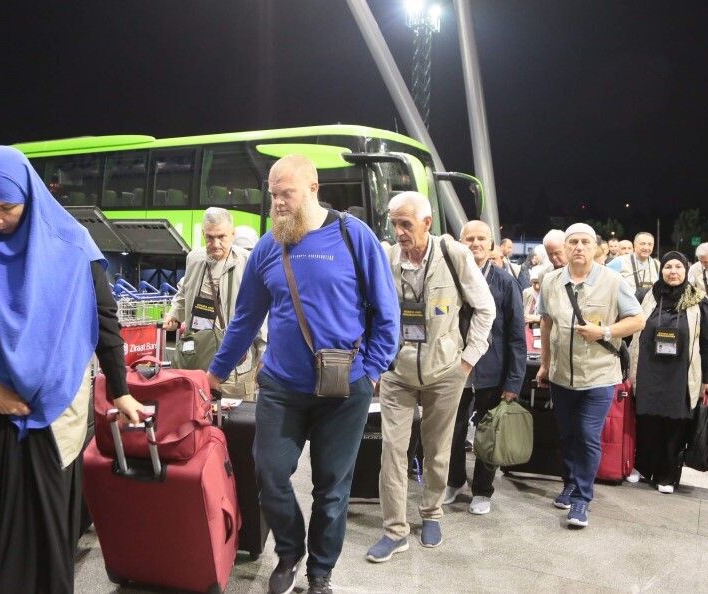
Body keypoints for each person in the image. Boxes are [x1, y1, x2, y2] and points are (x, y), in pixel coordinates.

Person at [0, 146, 145, 592]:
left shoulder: (70, 242)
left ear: (29, 195)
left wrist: (120, 389)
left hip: (53, 403)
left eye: (7, 208)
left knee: (50, 529)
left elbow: (103, 318)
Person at [207, 155, 399, 594]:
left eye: (286, 194)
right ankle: (290, 552)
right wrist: (215, 373)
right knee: (269, 472)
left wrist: (370, 371)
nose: (277, 202)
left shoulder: (353, 235)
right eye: (273, 194)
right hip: (281, 386)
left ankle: (320, 573)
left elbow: (387, 313)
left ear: (313, 188)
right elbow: (245, 318)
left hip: (344, 389)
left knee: (332, 489)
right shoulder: (268, 246)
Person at [365, 193, 494, 562]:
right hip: (398, 373)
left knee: (437, 450)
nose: (399, 231)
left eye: (406, 224)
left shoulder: (454, 255)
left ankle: (432, 512)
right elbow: (370, 311)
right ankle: (394, 530)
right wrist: (378, 361)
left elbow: (485, 308)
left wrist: (467, 361)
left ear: (427, 223)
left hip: (445, 372)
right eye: (394, 223)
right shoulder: (387, 258)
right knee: (392, 452)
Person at [536, 223, 645, 528]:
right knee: (567, 434)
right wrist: (545, 363)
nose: (579, 247)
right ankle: (570, 482)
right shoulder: (551, 281)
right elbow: (546, 322)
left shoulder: (612, 281)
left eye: (585, 242)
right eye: (573, 242)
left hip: (599, 375)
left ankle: (583, 498)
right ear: (565, 247)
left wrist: (605, 332)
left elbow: (638, 320)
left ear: (595, 247)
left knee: (586, 434)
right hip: (561, 375)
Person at [445, 220, 525, 515]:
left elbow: (516, 336)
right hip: (454, 370)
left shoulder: (504, 282)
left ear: (491, 244)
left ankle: (482, 490)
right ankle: (454, 481)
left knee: (487, 434)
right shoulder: (449, 277)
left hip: (492, 373)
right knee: (450, 433)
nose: (475, 243)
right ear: (460, 242)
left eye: (481, 238)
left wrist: (513, 382)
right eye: (470, 238)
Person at [628, 252, 708, 493]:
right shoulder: (646, 296)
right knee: (646, 420)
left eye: (679, 266)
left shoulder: (697, 300)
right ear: (661, 270)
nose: (673, 271)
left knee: (675, 424)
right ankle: (642, 466)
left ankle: (667, 476)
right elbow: (629, 328)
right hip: (648, 370)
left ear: (686, 270)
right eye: (668, 266)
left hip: (681, 375)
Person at [164, 207, 265, 400]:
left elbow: (260, 311)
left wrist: (263, 354)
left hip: (234, 369)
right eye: (210, 237)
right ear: (203, 233)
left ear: (232, 234)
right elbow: (184, 291)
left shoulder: (248, 262)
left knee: (234, 417)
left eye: (221, 237)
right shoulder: (194, 258)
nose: (215, 244)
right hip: (197, 361)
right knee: (195, 414)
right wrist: (174, 314)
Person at [608, 232, 660, 299]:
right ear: (634, 245)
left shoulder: (657, 264)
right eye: (642, 244)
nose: (646, 247)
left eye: (650, 244)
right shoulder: (620, 261)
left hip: (650, 304)